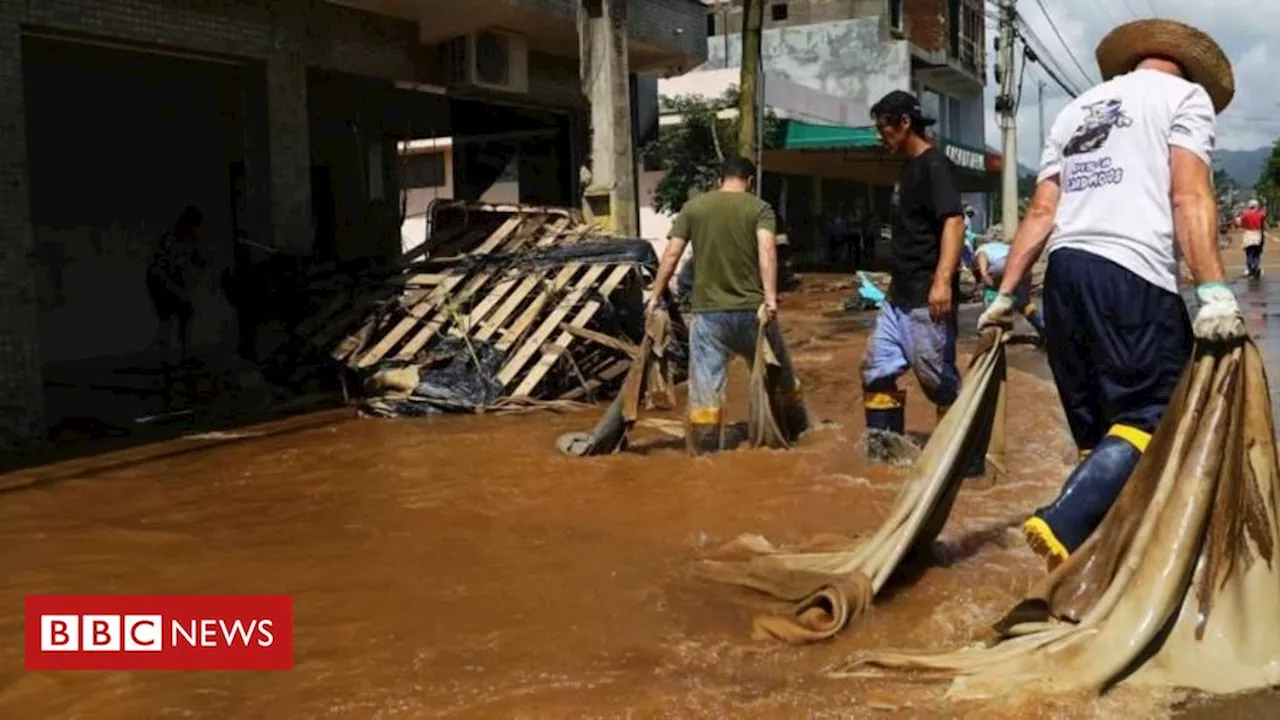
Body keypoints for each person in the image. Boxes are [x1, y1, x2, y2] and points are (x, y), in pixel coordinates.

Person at [978, 19, 1246, 569]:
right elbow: (1190, 195)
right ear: (1188, 71)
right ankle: (1065, 523)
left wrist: (1005, 296)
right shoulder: (1183, 97)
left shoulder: (1078, 109)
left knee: (1103, 434)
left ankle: (1095, 570)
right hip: (1132, 274)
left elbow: (1042, 210)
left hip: (1066, 277)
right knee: (1158, 412)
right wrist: (1214, 290)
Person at [646, 156, 806, 454]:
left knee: (706, 392)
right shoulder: (759, 208)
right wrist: (770, 299)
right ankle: (797, 437)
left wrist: (655, 297)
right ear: (750, 181)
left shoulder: (694, 208)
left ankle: (706, 455)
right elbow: (767, 251)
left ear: (719, 180)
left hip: (708, 317)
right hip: (753, 313)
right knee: (781, 376)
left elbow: (671, 255)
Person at [860, 90, 968, 463]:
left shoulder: (935, 165)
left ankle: (962, 463)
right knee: (875, 370)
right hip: (898, 297)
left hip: (926, 296)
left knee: (938, 383)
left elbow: (954, 221)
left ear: (905, 123)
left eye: (883, 128)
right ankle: (884, 459)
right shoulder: (907, 170)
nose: (880, 136)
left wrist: (942, 281)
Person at [146, 205, 206, 364]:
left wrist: (199, 264)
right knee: (171, 315)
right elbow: (163, 269)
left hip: (170, 280)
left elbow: (197, 260)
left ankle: (178, 352)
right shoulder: (171, 239)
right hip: (160, 281)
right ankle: (164, 351)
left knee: (182, 312)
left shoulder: (189, 240)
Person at [974, 239, 1046, 344]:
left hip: (1003, 263)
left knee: (991, 293)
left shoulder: (981, 249)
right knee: (1024, 303)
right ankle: (1043, 328)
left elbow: (982, 255)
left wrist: (984, 273)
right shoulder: (1000, 247)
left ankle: (992, 330)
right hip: (1023, 265)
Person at [1238, 198, 1268, 278]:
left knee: (1249, 254)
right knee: (1257, 253)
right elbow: (1264, 221)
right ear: (1256, 206)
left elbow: (1241, 225)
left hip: (1248, 234)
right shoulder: (1260, 214)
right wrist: (1265, 205)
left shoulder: (1245, 215)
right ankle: (1256, 267)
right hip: (1257, 234)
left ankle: (1250, 268)